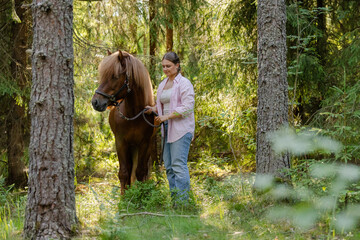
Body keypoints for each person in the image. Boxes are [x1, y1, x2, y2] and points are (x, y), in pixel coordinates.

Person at [146, 51, 195, 203]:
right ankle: (176, 202)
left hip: (181, 129)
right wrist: (153, 109)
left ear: (177, 65)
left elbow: (188, 107)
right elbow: (165, 105)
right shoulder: (163, 84)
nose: (165, 69)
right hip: (166, 128)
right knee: (169, 166)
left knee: (178, 165)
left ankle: (183, 203)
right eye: (163, 66)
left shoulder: (184, 83)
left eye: (169, 66)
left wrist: (167, 116)